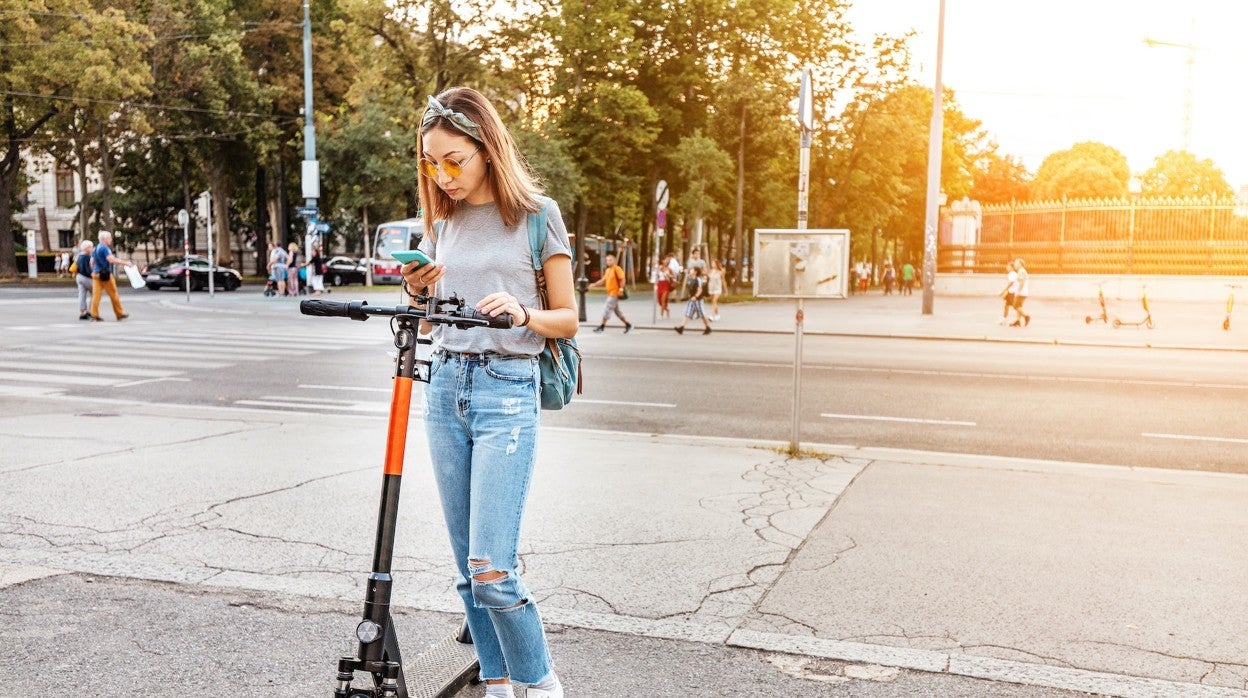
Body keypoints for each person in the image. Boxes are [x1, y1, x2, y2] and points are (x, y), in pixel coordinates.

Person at [398, 87, 574, 698]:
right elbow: (425, 324)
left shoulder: (536, 216)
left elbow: (569, 319)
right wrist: (418, 292)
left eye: (454, 160)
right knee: (465, 573)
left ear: (487, 149)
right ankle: (496, 682)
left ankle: (541, 681)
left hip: (507, 391)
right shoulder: (438, 223)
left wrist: (524, 314)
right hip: (445, 388)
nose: (442, 175)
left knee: (492, 570)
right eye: (431, 162)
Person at [89, 230, 128, 321]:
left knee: (96, 296)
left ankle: (94, 314)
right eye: (110, 238)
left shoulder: (95, 248)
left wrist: (94, 271)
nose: (111, 239)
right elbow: (111, 260)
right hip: (106, 275)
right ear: (105, 239)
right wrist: (125, 263)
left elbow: (91, 262)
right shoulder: (105, 248)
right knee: (113, 294)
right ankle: (119, 313)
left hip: (96, 274)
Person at [589, 252, 632, 333]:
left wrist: (621, 290)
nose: (608, 262)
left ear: (614, 261)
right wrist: (594, 284)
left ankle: (602, 327)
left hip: (614, 293)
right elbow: (603, 280)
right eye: (607, 260)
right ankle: (628, 325)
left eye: (610, 260)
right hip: (610, 293)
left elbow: (622, 279)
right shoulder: (608, 270)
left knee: (607, 309)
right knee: (617, 312)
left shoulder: (617, 269)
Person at [674, 266, 712, 335]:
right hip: (691, 300)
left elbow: (700, 290)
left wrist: (695, 296)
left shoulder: (698, 280)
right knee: (687, 313)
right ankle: (681, 328)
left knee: (702, 314)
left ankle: (708, 327)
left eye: (692, 270)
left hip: (698, 300)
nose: (690, 270)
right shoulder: (691, 279)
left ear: (695, 272)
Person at [74, 240, 94, 320]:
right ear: (87, 248)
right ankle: (90, 311)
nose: (92, 248)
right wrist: (93, 275)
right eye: (91, 247)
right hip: (86, 277)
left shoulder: (79, 256)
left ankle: (82, 312)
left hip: (79, 277)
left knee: (82, 295)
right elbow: (88, 270)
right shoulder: (87, 257)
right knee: (95, 293)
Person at [1011, 258, 1031, 327]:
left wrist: (1018, 292)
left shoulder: (1021, 271)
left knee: (1015, 306)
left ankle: (1026, 316)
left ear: (1020, 264)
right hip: (1023, 292)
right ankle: (1018, 321)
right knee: (1019, 306)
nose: (1014, 265)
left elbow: (1022, 282)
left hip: (1021, 293)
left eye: (1016, 263)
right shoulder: (1021, 271)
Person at [652, 253, 672, 318]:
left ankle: (661, 314)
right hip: (660, 284)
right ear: (662, 261)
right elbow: (656, 276)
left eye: (667, 260)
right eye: (665, 260)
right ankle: (667, 309)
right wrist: (655, 284)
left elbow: (673, 277)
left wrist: (668, 275)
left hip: (666, 284)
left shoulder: (669, 269)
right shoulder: (660, 267)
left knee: (663, 300)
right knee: (659, 301)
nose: (666, 261)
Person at [998, 260, 1017, 325]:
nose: (1006, 267)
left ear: (1011, 267)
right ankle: (1004, 319)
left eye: (1008, 266)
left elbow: (1011, 283)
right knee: (1006, 306)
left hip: (1012, 292)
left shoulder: (1012, 274)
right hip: (1010, 292)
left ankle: (1022, 317)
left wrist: (1004, 290)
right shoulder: (1011, 274)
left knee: (1016, 306)